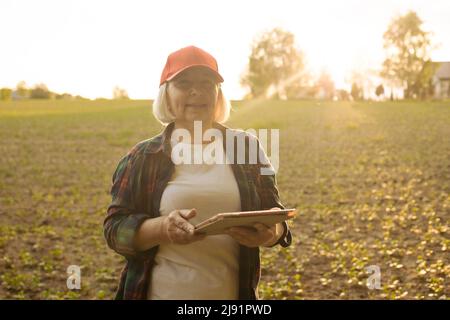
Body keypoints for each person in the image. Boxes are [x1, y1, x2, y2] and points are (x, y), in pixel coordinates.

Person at [104, 46, 292, 300]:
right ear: (166, 94)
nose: (197, 91)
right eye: (183, 83)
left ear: (218, 94)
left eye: (207, 83)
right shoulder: (142, 157)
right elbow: (115, 232)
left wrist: (272, 232)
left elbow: (276, 217)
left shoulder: (247, 147)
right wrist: (161, 228)